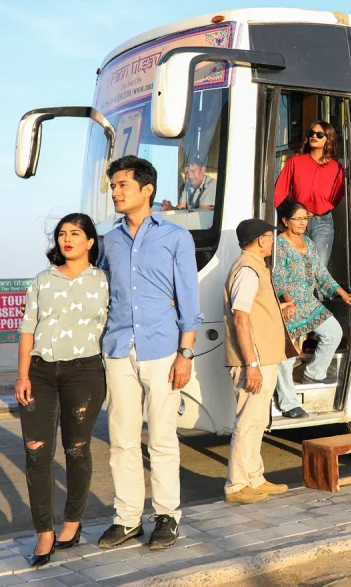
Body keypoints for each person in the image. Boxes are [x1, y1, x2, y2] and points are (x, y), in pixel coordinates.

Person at [96, 156, 202, 551]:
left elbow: (189, 298)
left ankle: (166, 516)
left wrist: (185, 353)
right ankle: (126, 519)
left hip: (163, 349)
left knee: (161, 438)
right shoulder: (109, 241)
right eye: (113, 185)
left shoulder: (175, 238)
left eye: (123, 185)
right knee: (121, 438)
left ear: (147, 190)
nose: (116, 192)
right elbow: (103, 293)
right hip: (119, 349)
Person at [17, 214, 109, 567]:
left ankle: (71, 523)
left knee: (76, 449)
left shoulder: (103, 281)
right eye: (61, 234)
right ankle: (44, 532)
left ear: (89, 242)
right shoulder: (42, 280)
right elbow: (28, 328)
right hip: (39, 373)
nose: (66, 239)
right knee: (37, 453)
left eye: (75, 233)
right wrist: (22, 375)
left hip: (84, 372)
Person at [223, 218, 293, 503]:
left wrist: (280, 309)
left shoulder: (255, 267)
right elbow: (241, 318)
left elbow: (254, 311)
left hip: (262, 357)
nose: (273, 241)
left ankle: (254, 478)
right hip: (254, 360)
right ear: (260, 240)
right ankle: (236, 485)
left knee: (257, 420)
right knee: (248, 421)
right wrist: (251, 364)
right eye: (270, 237)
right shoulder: (249, 269)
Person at [271, 200, 351, 418]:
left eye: (305, 219)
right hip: (288, 306)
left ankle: (313, 373)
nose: (302, 223)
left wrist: (343, 294)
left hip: (308, 303)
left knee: (333, 332)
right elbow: (278, 276)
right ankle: (288, 402)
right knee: (286, 357)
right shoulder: (279, 244)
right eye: (297, 219)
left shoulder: (308, 243)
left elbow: (321, 273)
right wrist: (288, 302)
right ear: (285, 221)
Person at [272, 120, 345, 266]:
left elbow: (336, 196)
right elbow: (280, 190)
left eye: (319, 134)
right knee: (296, 266)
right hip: (295, 221)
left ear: (328, 138)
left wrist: (322, 207)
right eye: (311, 133)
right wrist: (274, 218)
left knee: (318, 267)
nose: (314, 136)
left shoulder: (337, 168)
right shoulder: (295, 162)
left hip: (322, 222)